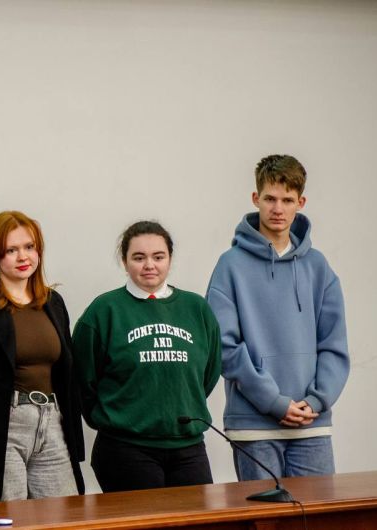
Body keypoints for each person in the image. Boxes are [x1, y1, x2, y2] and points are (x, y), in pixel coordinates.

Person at [206, 154, 349, 481]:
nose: (278, 209)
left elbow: (334, 344)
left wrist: (316, 401)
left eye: (287, 200)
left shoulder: (318, 267)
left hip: (311, 423)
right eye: (270, 199)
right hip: (254, 425)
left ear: (301, 202)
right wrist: (273, 401)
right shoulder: (230, 266)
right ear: (255, 198)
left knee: (319, 511)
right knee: (266, 512)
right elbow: (223, 346)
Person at [0, 211, 84, 502]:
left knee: (65, 516)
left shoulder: (53, 302)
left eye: (29, 247)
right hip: (0, 429)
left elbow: (67, 376)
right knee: (8, 519)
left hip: (50, 422)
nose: (23, 257)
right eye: (11, 250)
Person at [72, 220, 221, 493]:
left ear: (170, 259)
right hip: (126, 449)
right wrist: (117, 418)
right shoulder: (105, 310)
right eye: (139, 258)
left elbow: (208, 373)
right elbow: (83, 377)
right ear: (124, 261)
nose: (149, 265)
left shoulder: (197, 308)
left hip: (188, 448)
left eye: (158, 257)